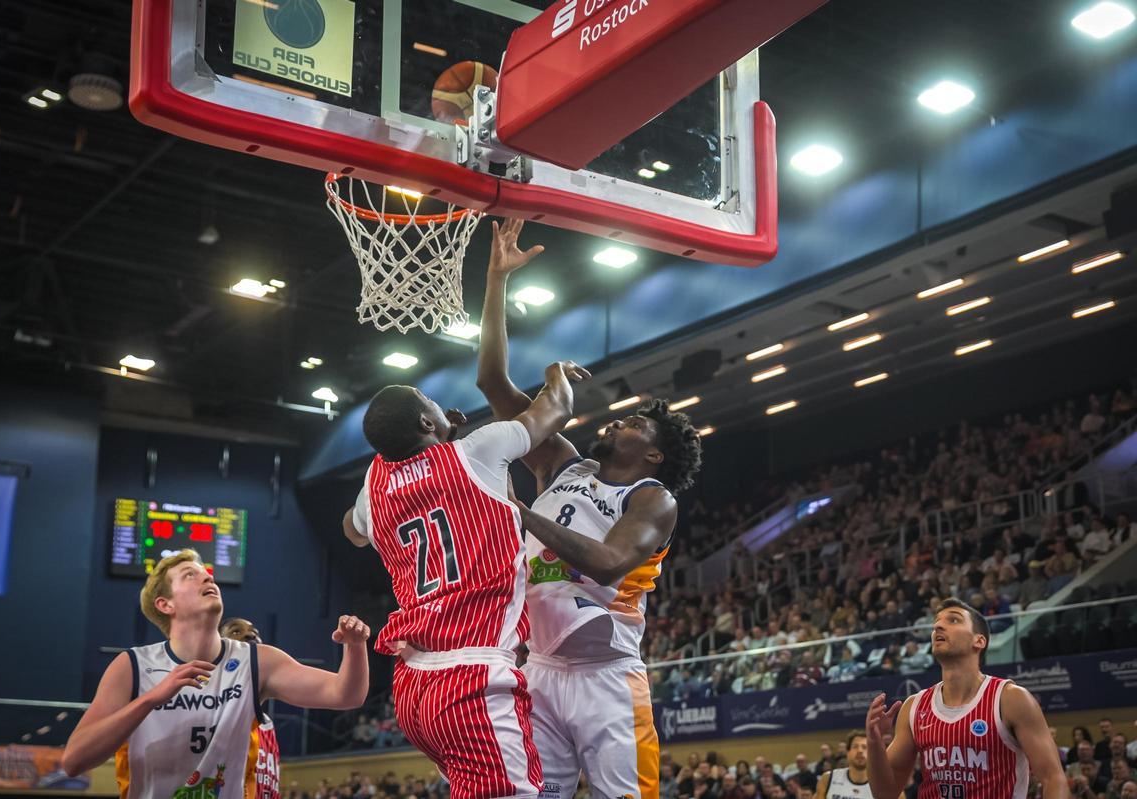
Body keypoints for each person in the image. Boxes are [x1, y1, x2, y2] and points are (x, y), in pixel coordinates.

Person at [475, 219, 703, 799]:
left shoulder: (652, 498)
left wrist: (520, 513)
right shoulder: (563, 465)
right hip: (541, 668)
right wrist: (497, 280)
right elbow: (492, 381)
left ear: (652, 452)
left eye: (635, 422)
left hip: (606, 677)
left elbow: (606, 563)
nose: (618, 418)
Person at [343, 359, 583, 799]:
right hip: (472, 675)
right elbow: (556, 410)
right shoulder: (478, 449)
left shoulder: (373, 488)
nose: (439, 406)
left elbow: (353, 531)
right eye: (430, 402)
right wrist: (556, 375)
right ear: (424, 420)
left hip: (413, 688)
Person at [62, 550, 369, 799]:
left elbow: (346, 695)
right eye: (190, 575)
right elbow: (74, 761)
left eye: (205, 572)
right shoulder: (132, 665)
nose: (207, 576)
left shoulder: (256, 660)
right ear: (164, 604)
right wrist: (149, 700)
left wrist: (355, 647)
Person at [864, 598, 1067, 799]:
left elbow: (1054, 778)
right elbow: (885, 794)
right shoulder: (914, 706)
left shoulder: (1010, 699)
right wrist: (874, 742)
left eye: (953, 620)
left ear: (979, 640)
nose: (938, 625)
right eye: (937, 621)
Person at [220, 617, 281, 799]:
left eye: (254, 631)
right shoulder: (201, 710)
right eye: (236, 631)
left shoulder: (267, 725)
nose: (250, 634)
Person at [816, 733, 896, 799]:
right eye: (855, 746)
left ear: (873, 754)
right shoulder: (827, 779)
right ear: (848, 753)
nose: (860, 751)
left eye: (865, 747)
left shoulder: (885, 786)